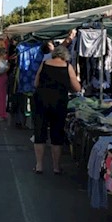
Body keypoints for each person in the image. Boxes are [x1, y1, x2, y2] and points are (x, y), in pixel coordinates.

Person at [32, 45, 82, 175]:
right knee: (56, 134)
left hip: (41, 101)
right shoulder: (67, 67)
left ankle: (39, 165)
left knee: (40, 132)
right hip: (59, 102)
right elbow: (77, 88)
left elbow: (36, 83)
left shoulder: (44, 63)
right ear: (66, 55)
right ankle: (56, 167)